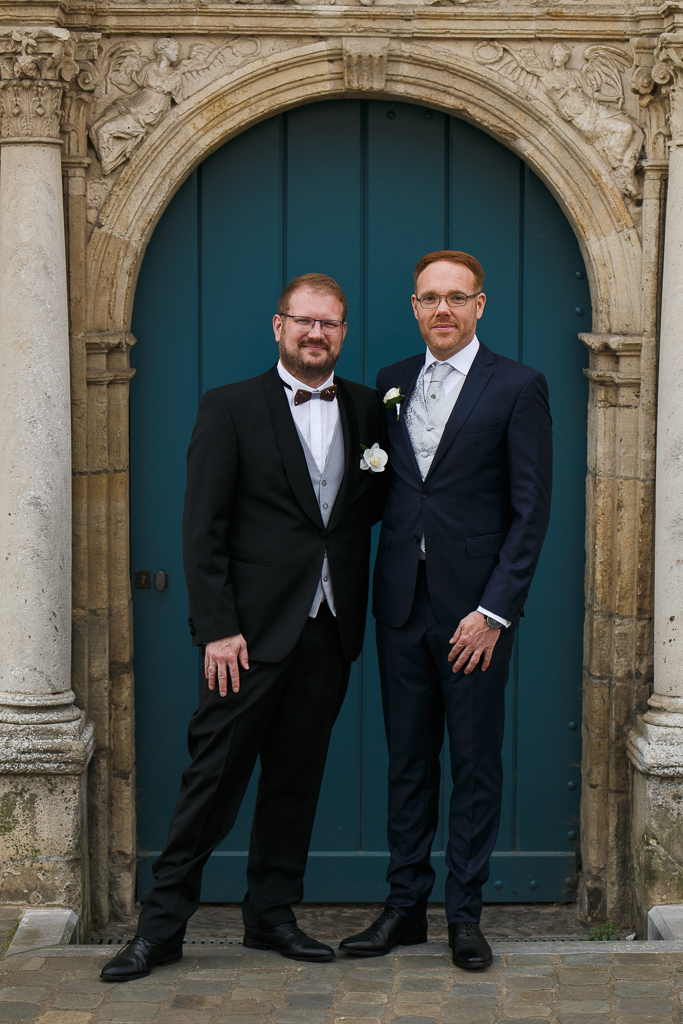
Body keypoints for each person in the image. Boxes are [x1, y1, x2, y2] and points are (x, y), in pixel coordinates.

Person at [101, 273, 388, 981]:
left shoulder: (363, 409)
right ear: (277, 326)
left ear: (342, 333)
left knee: (295, 781)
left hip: (328, 631)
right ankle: (160, 930)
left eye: (329, 324)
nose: (316, 334)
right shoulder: (228, 407)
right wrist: (218, 628)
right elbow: (203, 529)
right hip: (246, 639)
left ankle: (270, 916)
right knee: (212, 783)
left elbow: (363, 509)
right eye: (303, 321)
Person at [340, 251, 552, 968]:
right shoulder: (392, 383)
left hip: (473, 618)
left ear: (479, 306)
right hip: (399, 603)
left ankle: (464, 914)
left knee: (472, 762)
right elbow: (386, 491)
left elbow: (529, 513)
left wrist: (494, 612)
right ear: (413, 306)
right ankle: (404, 910)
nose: (442, 310)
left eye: (456, 298)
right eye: (430, 298)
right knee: (407, 761)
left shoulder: (518, 387)